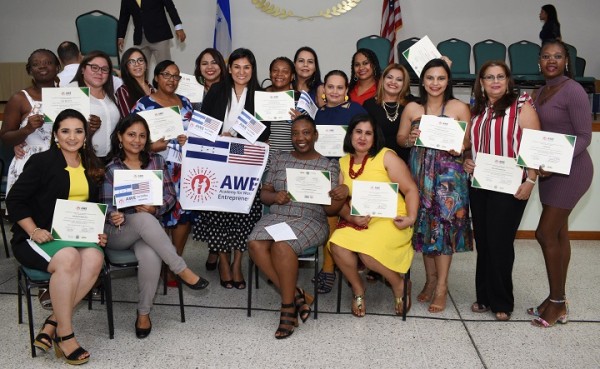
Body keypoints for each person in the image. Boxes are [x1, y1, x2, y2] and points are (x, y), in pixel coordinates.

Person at [6, 109, 107, 365]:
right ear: (55, 135)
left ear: (85, 135)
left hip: (73, 236)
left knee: (95, 257)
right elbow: (15, 199)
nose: (72, 137)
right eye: (65, 131)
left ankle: (52, 322)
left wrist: (98, 232)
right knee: (69, 257)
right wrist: (34, 230)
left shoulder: (92, 165)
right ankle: (65, 333)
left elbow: (92, 208)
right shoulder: (42, 162)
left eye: (78, 131)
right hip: (35, 236)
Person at [102, 114, 209, 338]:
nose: (137, 140)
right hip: (119, 232)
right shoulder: (111, 168)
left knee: (150, 253)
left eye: (142, 136)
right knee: (143, 220)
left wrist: (155, 209)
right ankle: (181, 269)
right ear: (120, 137)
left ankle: (143, 313)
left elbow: (170, 196)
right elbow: (105, 207)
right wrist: (114, 215)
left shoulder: (156, 161)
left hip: (149, 234)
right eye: (131, 134)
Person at [248, 115, 348, 338]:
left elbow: (331, 211)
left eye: (305, 132)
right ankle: (295, 293)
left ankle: (287, 308)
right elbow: (264, 195)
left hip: (311, 219)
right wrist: (275, 196)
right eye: (295, 133)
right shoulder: (279, 159)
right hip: (279, 214)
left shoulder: (328, 165)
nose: (300, 137)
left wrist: (341, 196)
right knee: (254, 243)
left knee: (282, 246)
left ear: (315, 135)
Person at [463, 61, 541, 321]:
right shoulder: (477, 110)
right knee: (484, 241)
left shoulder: (521, 105)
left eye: (500, 76)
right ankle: (484, 296)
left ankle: (502, 301)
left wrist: (530, 181)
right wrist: (467, 159)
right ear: (481, 83)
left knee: (500, 242)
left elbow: (533, 146)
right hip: (481, 184)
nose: (495, 81)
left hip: (510, 186)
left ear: (508, 80)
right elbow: (470, 145)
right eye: (489, 77)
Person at [397, 58, 473, 313]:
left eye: (441, 78)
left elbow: (468, 142)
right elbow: (401, 139)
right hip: (419, 176)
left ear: (447, 81)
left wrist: (461, 146)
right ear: (423, 81)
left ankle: (441, 285)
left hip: (449, 180)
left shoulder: (459, 107)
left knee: (445, 231)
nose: (435, 83)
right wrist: (409, 138)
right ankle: (429, 281)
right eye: (430, 78)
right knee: (424, 230)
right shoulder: (411, 108)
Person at [529, 40, 593, 328]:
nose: (551, 61)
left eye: (557, 56)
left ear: (567, 61)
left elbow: (584, 136)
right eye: (546, 56)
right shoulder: (540, 92)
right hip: (548, 173)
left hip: (572, 171)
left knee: (544, 233)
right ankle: (558, 299)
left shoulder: (574, 90)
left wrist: (556, 163)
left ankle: (556, 302)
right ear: (539, 62)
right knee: (559, 235)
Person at [329, 114, 419, 317]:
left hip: (392, 218)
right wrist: (351, 218)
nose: (362, 137)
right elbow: (339, 201)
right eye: (358, 132)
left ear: (375, 137)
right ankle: (358, 289)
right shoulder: (343, 163)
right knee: (337, 246)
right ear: (350, 135)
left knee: (367, 253)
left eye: (368, 133)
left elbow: (411, 189)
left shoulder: (386, 156)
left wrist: (411, 217)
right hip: (359, 219)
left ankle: (399, 283)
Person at [193, 48, 267, 290]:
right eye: (237, 67)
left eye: (246, 67)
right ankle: (224, 262)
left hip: (246, 164)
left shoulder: (261, 95)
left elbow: (265, 132)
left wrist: (243, 139)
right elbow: (202, 125)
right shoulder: (216, 90)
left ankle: (237, 263)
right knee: (218, 213)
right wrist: (219, 135)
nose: (241, 72)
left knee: (243, 213)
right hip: (217, 161)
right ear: (229, 69)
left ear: (252, 69)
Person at [131, 60, 194, 285]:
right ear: (156, 77)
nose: (172, 80)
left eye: (176, 76)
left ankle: (174, 263)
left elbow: (194, 132)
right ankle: (160, 261)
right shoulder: (143, 104)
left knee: (182, 217)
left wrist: (190, 139)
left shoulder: (185, 102)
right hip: (153, 168)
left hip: (183, 169)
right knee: (158, 216)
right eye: (166, 75)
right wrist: (151, 147)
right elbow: (130, 139)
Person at [313, 70, 367, 294]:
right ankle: (330, 266)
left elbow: (366, 138)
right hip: (329, 170)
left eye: (339, 87)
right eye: (330, 86)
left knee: (341, 211)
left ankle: (341, 263)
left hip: (354, 167)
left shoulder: (356, 110)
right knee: (330, 214)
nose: (334, 91)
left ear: (346, 91)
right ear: (324, 89)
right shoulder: (320, 113)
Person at [0, 49, 59, 194]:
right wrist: (26, 130)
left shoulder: (70, 96)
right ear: (29, 70)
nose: (42, 66)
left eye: (48, 63)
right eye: (36, 64)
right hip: (29, 163)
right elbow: (6, 138)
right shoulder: (19, 99)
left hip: (62, 162)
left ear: (58, 67)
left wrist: (92, 127)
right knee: (26, 213)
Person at [69, 51, 121, 161]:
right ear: (83, 69)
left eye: (104, 69)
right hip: (80, 158)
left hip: (111, 158)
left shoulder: (111, 95)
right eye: (94, 67)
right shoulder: (71, 92)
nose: (99, 72)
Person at [363, 63, 415, 164]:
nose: (393, 82)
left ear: (404, 84)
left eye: (399, 79)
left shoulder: (412, 103)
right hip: (378, 161)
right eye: (389, 77)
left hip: (407, 162)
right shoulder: (369, 105)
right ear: (383, 80)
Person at [117, 0, 186, 65]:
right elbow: (124, 16)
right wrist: (121, 36)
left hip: (160, 36)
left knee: (164, 69)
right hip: (140, 39)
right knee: (139, 70)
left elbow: (170, 7)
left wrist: (178, 27)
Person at [265, 56, 298, 153]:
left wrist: (301, 120)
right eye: (275, 70)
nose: (279, 74)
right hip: (263, 160)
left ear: (292, 76)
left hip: (289, 161)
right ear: (270, 74)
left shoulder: (300, 101)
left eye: (285, 71)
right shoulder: (260, 99)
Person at [56, 41, 123, 89]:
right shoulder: (98, 76)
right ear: (80, 55)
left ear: (59, 60)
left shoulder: (55, 81)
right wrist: (122, 77)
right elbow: (122, 86)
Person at [115, 48, 154, 118]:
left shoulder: (151, 88)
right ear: (126, 67)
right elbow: (128, 119)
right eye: (131, 62)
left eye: (140, 60)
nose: (137, 64)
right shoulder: (123, 91)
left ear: (146, 65)